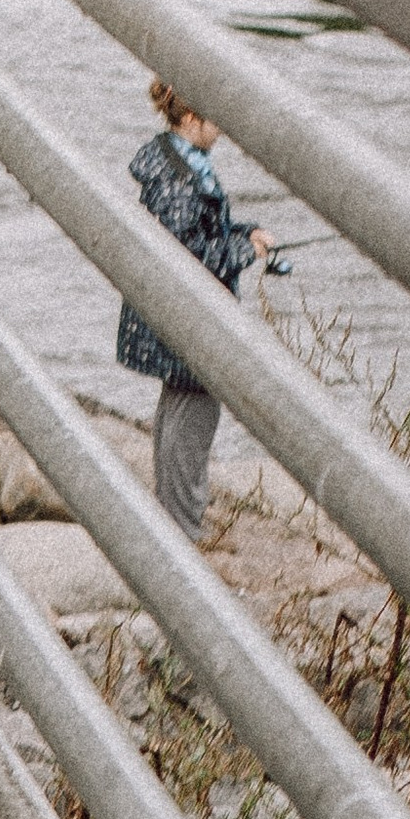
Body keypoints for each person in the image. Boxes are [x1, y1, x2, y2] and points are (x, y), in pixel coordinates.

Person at [115, 78, 274, 543]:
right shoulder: (182, 181)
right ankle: (182, 533)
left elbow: (201, 231)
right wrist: (245, 250)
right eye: (213, 119)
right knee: (194, 416)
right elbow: (191, 255)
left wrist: (245, 233)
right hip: (187, 319)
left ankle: (170, 520)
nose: (220, 128)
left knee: (176, 408)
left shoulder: (173, 161)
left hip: (168, 313)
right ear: (190, 119)